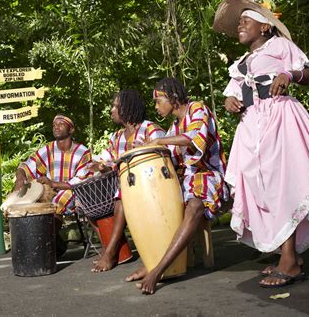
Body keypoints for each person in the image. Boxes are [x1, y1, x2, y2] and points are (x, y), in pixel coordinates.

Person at [212, 0, 309, 288]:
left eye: (245, 20)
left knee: (281, 186)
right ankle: (285, 253)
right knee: (260, 189)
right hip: (251, 126)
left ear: (265, 27)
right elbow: (235, 91)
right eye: (238, 22)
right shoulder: (240, 64)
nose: (240, 25)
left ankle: (289, 262)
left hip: (279, 120)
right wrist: (230, 100)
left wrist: (289, 74)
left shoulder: (280, 46)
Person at [125, 77, 227, 294]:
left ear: (172, 97)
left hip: (210, 175)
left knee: (194, 206)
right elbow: (170, 157)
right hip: (188, 179)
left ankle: (158, 270)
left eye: (158, 100)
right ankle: (153, 264)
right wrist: (147, 147)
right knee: (163, 207)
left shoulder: (197, 109)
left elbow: (193, 138)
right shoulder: (173, 127)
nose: (156, 106)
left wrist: (159, 141)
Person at [89, 89, 166, 273]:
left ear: (127, 108)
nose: (111, 110)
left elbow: (165, 155)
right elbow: (105, 161)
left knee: (122, 196)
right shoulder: (116, 137)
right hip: (126, 187)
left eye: (115, 106)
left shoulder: (150, 129)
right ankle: (119, 251)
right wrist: (101, 166)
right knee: (90, 204)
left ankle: (110, 253)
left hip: (154, 186)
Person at [13, 114, 92, 254]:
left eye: (61, 124)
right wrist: (20, 176)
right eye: (54, 125)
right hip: (50, 190)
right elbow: (27, 165)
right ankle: (51, 244)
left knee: (53, 205)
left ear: (71, 129)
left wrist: (53, 183)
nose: (56, 127)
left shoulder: (82, 152)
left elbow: (80, 181)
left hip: (74, 192)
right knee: (33, 205)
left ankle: (42, 245)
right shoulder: (48, 149)